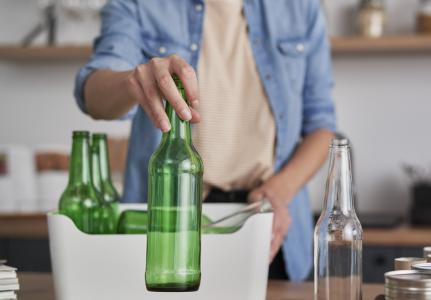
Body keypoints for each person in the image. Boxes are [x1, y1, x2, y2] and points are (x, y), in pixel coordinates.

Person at [74, 0, 336, 281]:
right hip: (170, 229)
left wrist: (279, 190)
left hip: (267, 225)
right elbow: (93, 95)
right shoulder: (138, 5)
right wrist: (132, 82)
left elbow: (321, 126)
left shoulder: (301, 7)